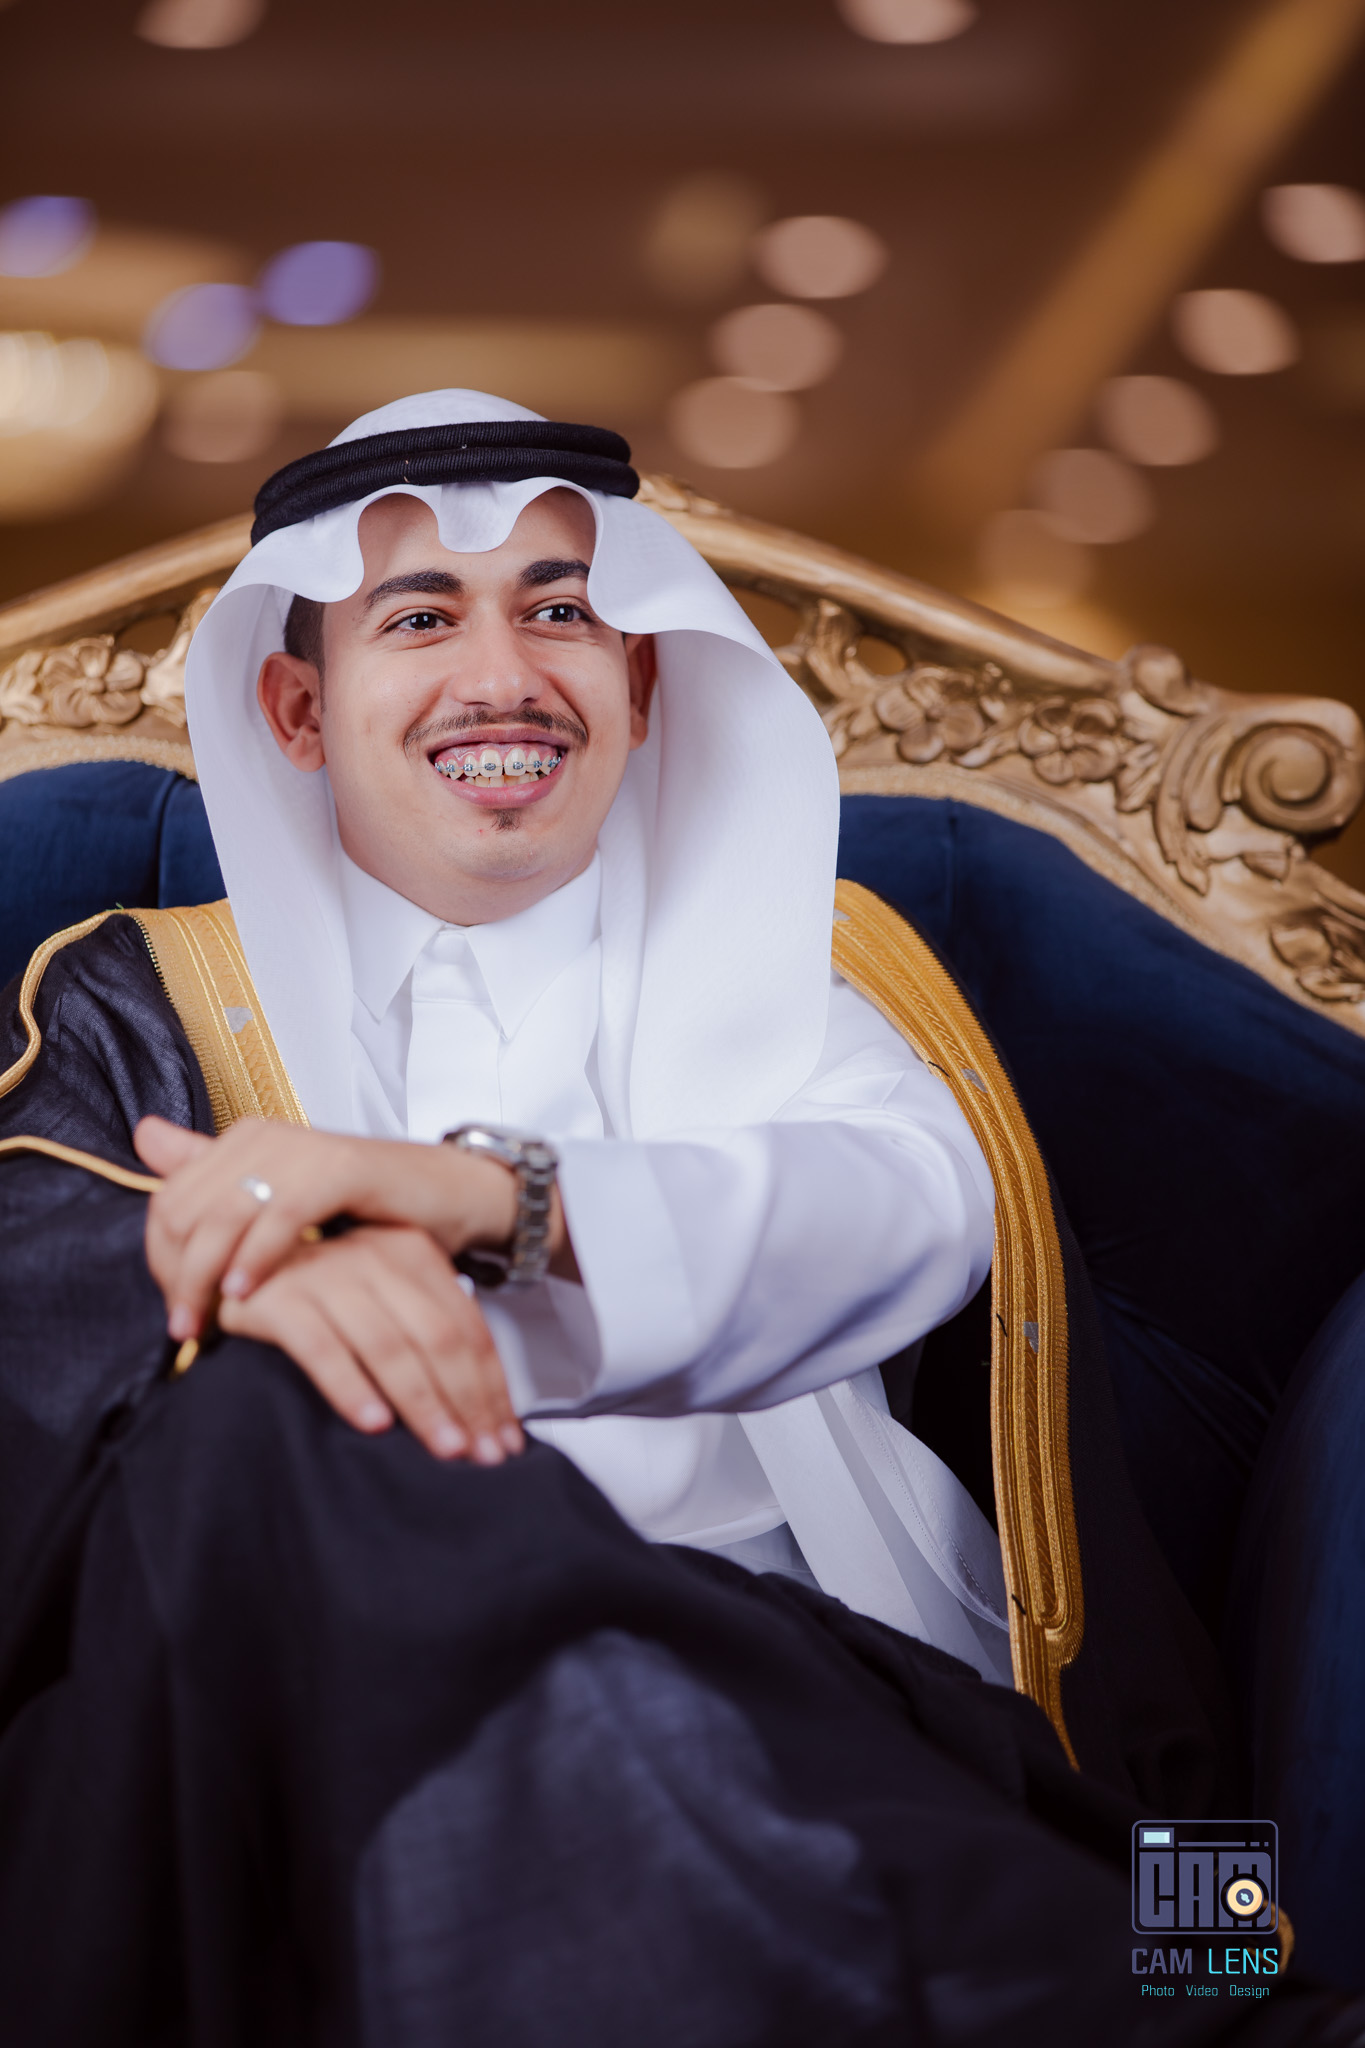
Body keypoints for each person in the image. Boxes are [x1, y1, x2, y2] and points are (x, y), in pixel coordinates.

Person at [0, 389, 1356, 2045]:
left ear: (640, 686)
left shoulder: (816, 967)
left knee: (608, 1715)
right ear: (296, 709)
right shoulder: (136, 1009)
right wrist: (237, 1314)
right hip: (324, 1695)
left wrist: (495, 1201)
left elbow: (912, 1209)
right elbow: (41, 1294)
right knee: (250, 1435)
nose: (501, 674)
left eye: (561, 611)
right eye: (418, 619)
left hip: (809, 1683)